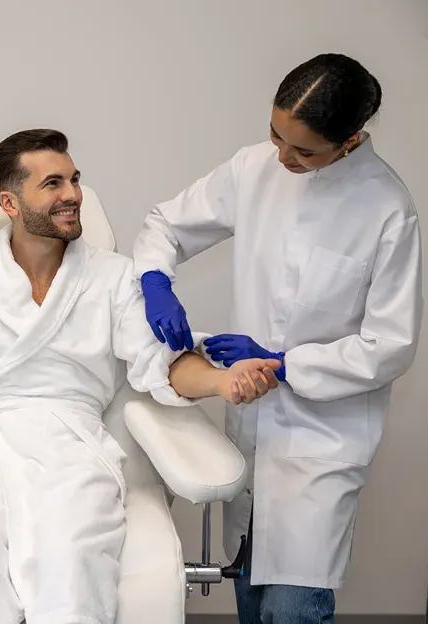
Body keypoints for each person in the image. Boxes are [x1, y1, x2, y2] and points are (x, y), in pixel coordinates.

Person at [0, 129, 281, 624]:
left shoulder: (114, 277)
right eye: (53, 184)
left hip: (75, 453)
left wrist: (223, 382)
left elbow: (164, 363)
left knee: (71, 560)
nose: (73, 194)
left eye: (74, 180)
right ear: (10, 203)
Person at [132, 53, 423, 623]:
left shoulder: (388, 210)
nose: (283, 158)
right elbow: (166, 224)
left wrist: (285, 363)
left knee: (293, 604)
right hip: (249, 422)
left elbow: (390, 345)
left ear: (350, 140)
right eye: (276, 135)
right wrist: (155, 281)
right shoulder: (254, 168)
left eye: (304, 151)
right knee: (250, 593)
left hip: (323, 438)